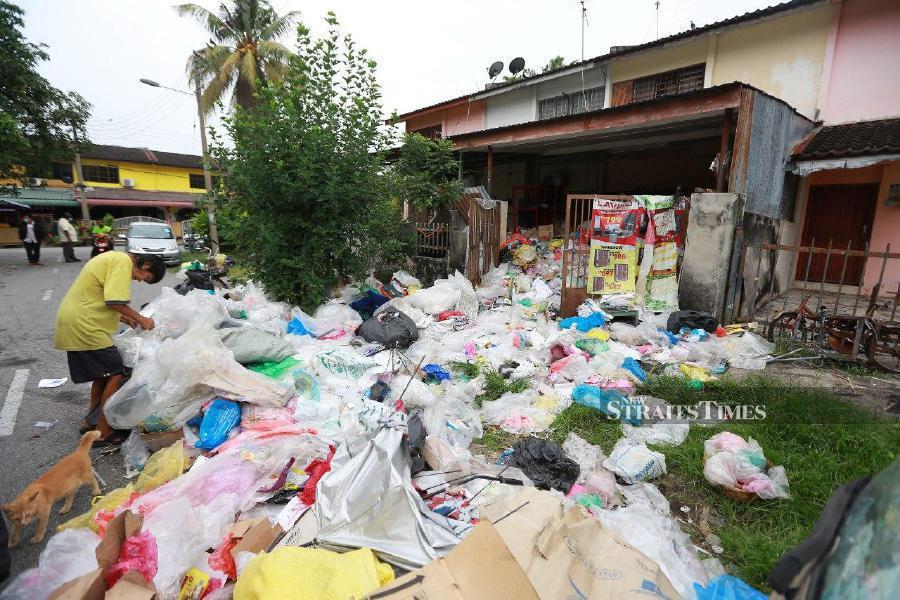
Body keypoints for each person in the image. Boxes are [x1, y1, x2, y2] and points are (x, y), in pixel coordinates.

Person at [53, 251, 166, 445]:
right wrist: (142, 319)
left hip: (79, 320)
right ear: (146, 266)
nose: (140, 281)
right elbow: (114, 301)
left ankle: (91, 422)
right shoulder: (123, 261)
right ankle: (103, 432)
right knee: (116, 373)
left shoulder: (114, 258)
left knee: (102, 375)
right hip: (85, 325)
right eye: (146, 278)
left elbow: (100, 297)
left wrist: (126, 317)